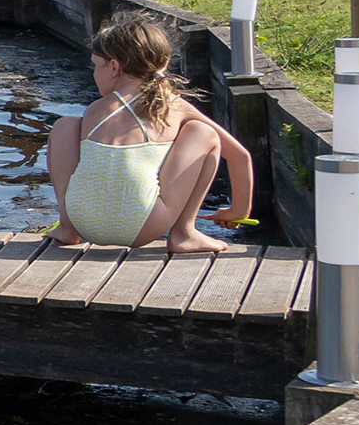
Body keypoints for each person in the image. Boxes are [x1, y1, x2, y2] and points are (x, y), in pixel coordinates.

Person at [44, 13, 253, 252]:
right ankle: (184, 233)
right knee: (204, 133)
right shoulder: (173, 105)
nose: (94, 73)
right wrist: (239, 211)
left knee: (65, 125)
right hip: (144, 226)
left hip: (83, 221)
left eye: (95, 65)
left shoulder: (95, 109)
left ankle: (67, 227)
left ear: (114, 66)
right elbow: (239, 156)